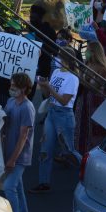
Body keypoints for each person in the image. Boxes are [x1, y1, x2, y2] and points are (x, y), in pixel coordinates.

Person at [31, 47, 82, 193]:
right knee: (45, 148)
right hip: (52, 112)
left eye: (59, 57)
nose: (57, 59)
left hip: (64, 115)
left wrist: (49, 87)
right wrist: (44, 86)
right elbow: (49, 96)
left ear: (66, 60)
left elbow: (65, 101)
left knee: (69, 150)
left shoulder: (73, 78)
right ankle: (43, 182)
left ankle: (87, 169)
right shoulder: (56, 72)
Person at [2, 73, 35, 212]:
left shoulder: (27, 108)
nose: (11, 87)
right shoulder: (10, 102)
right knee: (18, 189)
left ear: (23, 88)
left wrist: (13, 160)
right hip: (10, 151)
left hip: (20, 156)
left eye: (14, 85)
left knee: (9, 187)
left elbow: (23, 136)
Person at [75, 40, 106, 152]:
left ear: (95, 52)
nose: (86, 52)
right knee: (80, 125)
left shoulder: (102, 68)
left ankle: (90, 152)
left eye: (89, 50)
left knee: (92, 128)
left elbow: (94, 86)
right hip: (83, 98)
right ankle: (78, 150)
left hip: (95, 101)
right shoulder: (87, 63)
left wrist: (79, 78)